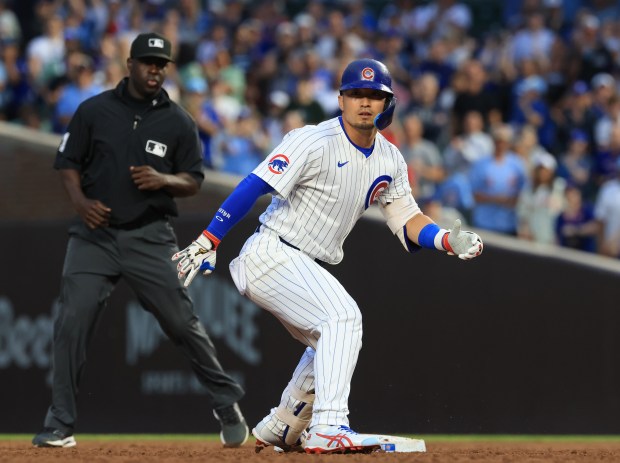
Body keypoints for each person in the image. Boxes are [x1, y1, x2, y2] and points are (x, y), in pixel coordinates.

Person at [172, 58, 483, 454]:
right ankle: (329, 426)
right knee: (343, 317)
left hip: (300, 261)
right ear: (341, 99)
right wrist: (209, 238)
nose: (365, 102)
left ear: (387, 104)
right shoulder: (312, 139)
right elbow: (255, 184)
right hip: (272, 252)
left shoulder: (390, 159)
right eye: (356, 94)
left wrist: (444, 240)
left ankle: (284, 423)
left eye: (375, 95)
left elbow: (407, 218)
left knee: (332, 340)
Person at [32, 32, 248, 449]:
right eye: (148, 62)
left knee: (181, 323)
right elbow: (67, 163)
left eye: (161, 64)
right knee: (70, 322)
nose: (155, 70)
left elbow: (193, 180)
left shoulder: (178, 121)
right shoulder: (94, 110)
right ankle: (60, 423)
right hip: (94, 235)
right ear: (129, 63)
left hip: (150, 236)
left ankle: (226, 404)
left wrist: (164, 178)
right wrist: (79, 203)